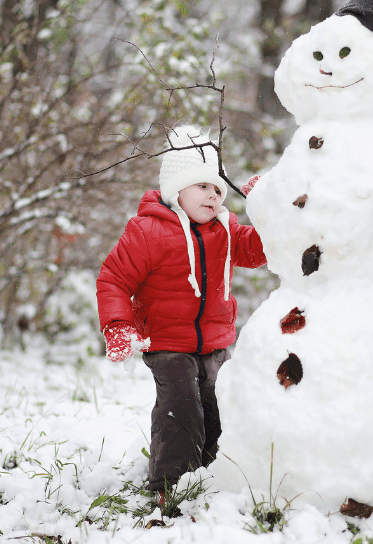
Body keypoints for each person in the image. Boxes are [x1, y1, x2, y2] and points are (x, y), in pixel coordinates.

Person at [96, 126, 267, 509]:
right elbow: (113, 280)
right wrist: (118, 326)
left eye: (218, 189)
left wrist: (270, 207)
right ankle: (168, 483)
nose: (213, 194)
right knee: (182, 405)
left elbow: (261, 251)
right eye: (203, 186)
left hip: (215, 342)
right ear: (177, 190)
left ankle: (210, 472)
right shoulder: (147, 231)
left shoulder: (227, 230)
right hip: (166, 343)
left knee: (217, 404)